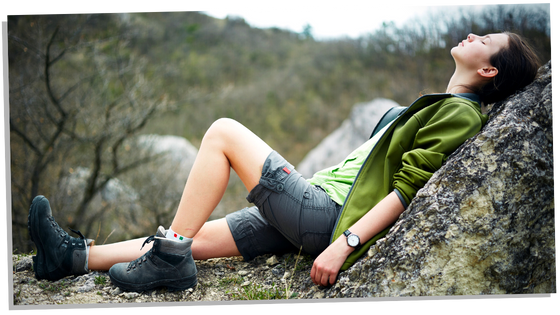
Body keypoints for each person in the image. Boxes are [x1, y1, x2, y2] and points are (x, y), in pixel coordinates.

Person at [27, 32, 541, 291]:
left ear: (490, 68)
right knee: (196, 233)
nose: (472, 35)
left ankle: (168, 261)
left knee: (223, 132)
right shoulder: (434, 106)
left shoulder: (461, 115)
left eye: (485, 41)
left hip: (327, 216)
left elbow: (405, 192)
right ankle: (70, 258)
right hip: (316, 207)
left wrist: (345, 246)